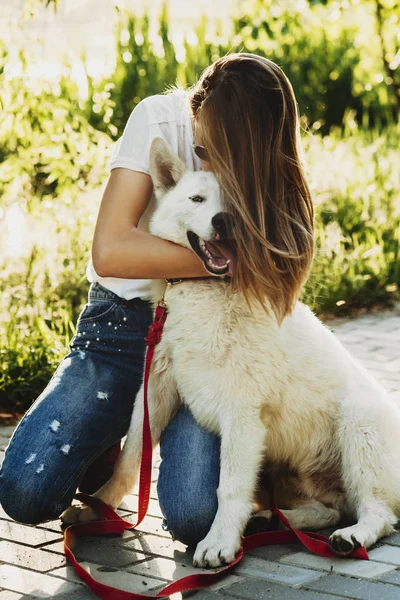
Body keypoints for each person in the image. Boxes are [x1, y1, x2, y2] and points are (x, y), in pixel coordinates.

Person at [0, 53, 314, 546]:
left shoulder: (269, 164)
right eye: (210, 145)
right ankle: (105, 439)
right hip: (120, 326)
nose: (213, 158)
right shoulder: (159, 119)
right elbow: (111, 250)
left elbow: (285, 264)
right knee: (24, 492)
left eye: (231, 150)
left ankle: (154, 446)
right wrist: (229, 259)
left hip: (206, 344)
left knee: (193, 518)